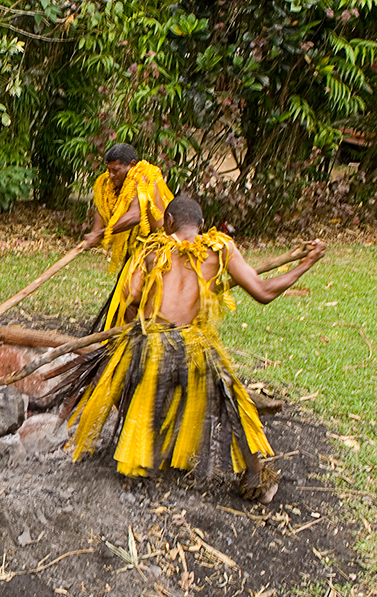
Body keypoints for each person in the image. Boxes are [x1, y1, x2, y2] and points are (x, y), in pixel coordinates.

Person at [57, 196, 325, 501]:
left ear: (168, 221)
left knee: (139, 394)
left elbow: (131, 298)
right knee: (233, 403)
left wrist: (133, 337)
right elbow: (263, 292)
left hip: (153, 342)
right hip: (195, 344)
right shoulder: (220, 248)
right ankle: (255, 478)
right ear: (200, 224)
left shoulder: (151, 251)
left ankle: (138, 464)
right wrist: (305, 264)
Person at [83, 143, 175, 330]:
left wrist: (103, 233)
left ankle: (134, 337)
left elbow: (136, 215)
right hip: (136, 247)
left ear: (131, 165)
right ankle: (124, 337)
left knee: (133, 293)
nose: (111, 175)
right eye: (108, 170)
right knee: (129, 295)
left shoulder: (143, 177)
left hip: (158, 245)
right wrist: (95, 232)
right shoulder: (108, 182)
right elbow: (101, 208)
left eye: (116, 170)